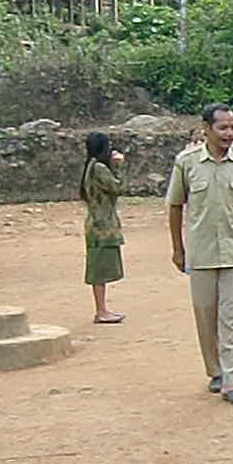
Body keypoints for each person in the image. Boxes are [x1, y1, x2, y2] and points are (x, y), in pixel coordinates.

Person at [166, 103, 233, 407]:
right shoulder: (187, 162)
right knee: (205, 315)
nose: (230, 134)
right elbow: (176, 205)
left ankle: (232, 381)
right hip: (201, 251)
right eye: (223, 128)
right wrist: (178, 249)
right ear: (206, 129)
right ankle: (216, 370)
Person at [80, 132, 126, 324]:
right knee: (99, 271)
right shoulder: (99, 168)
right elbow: (118, 187)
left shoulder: (91, 167)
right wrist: (118, 166)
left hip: (97, 223)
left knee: (100, 269)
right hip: (102, 226)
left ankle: (102, 309)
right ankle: (101, 311)